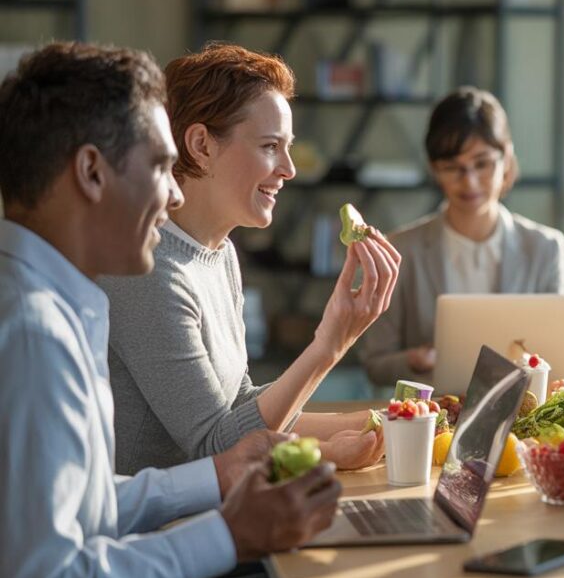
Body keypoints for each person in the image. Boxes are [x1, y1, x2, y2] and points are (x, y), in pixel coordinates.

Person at [0, 41, 340, 578]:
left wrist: (220, 476)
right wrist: (228, 535)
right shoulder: (33, 333)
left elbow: (87, 505)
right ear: (91, 172)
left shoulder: (56, 304)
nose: (176, 193)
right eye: (160, 166)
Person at [99, 43, 401, 474]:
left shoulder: (219, 254)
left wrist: (364, 424)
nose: (289, 169)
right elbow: (216, 446)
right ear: (202, 144)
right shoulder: (147, 271)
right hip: (151, 529)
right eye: (270, 146)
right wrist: (330, 345)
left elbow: (240, 404)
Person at [359, 86, 564, 386]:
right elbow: (376, 365)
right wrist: (414, 360)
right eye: (452, 167)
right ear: (434, 169)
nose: (469, 181)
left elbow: (560, 354)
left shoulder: (546, 248)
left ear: (506, 158)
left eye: (482, 163)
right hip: (431, 418)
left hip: (524, 417)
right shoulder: (401, 249)